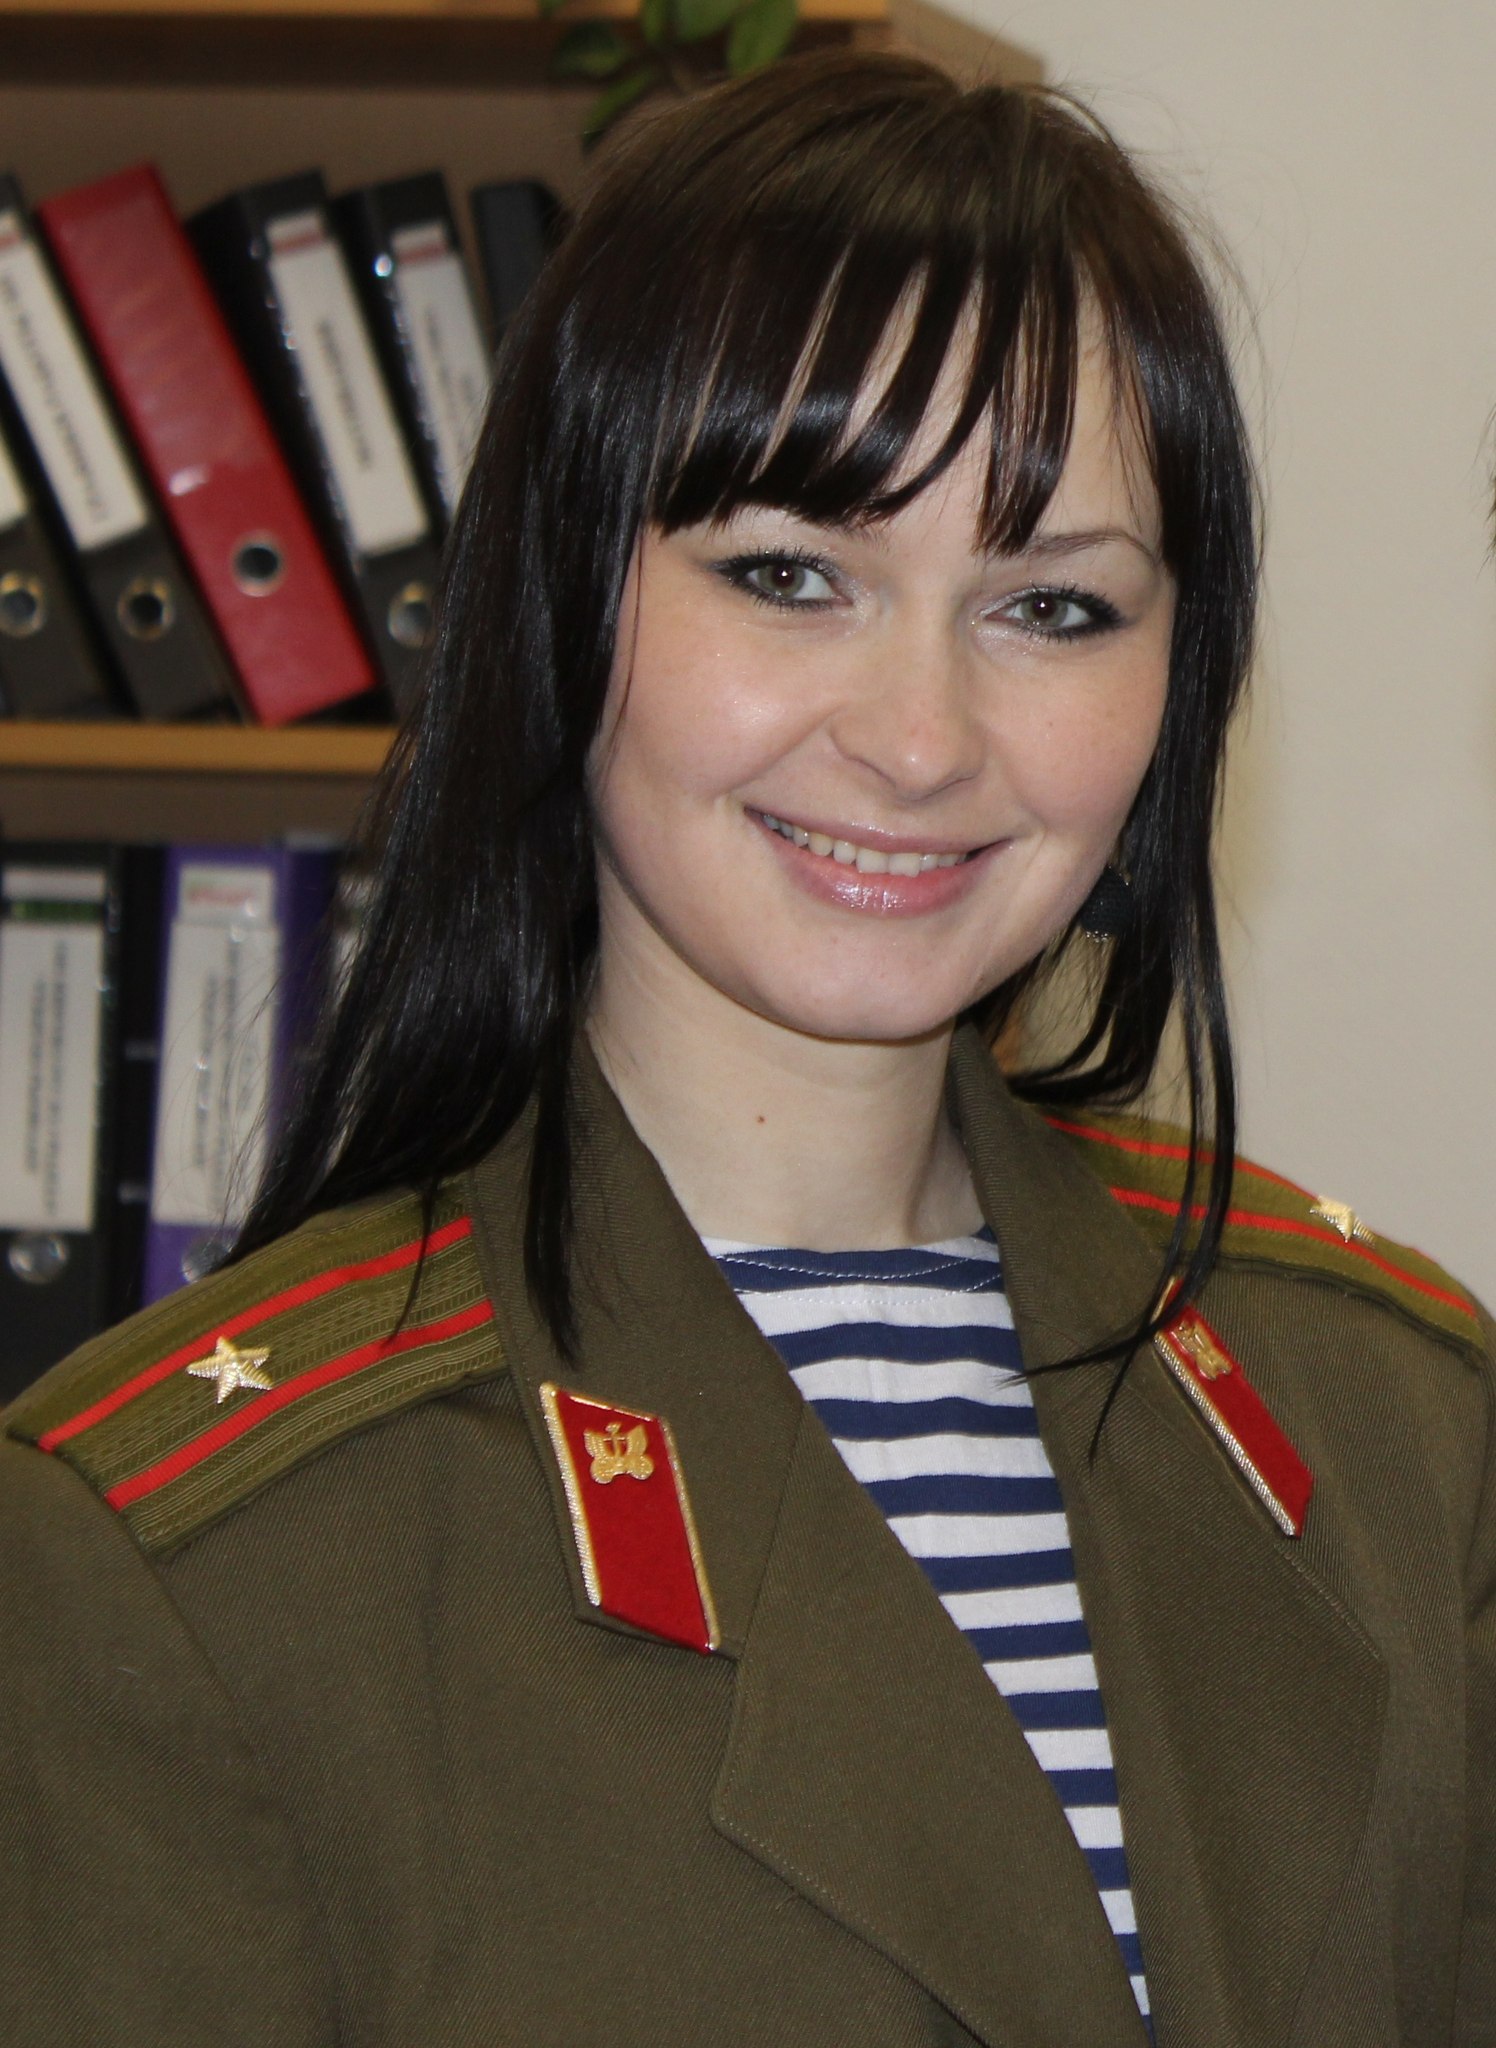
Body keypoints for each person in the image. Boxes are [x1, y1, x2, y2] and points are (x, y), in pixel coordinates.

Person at [2, 50, 1491, 2048]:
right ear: (566, 593)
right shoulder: (188, 1560)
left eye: (1055, 608)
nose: (919, 737)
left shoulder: (1405, 1430)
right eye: (790, 575)